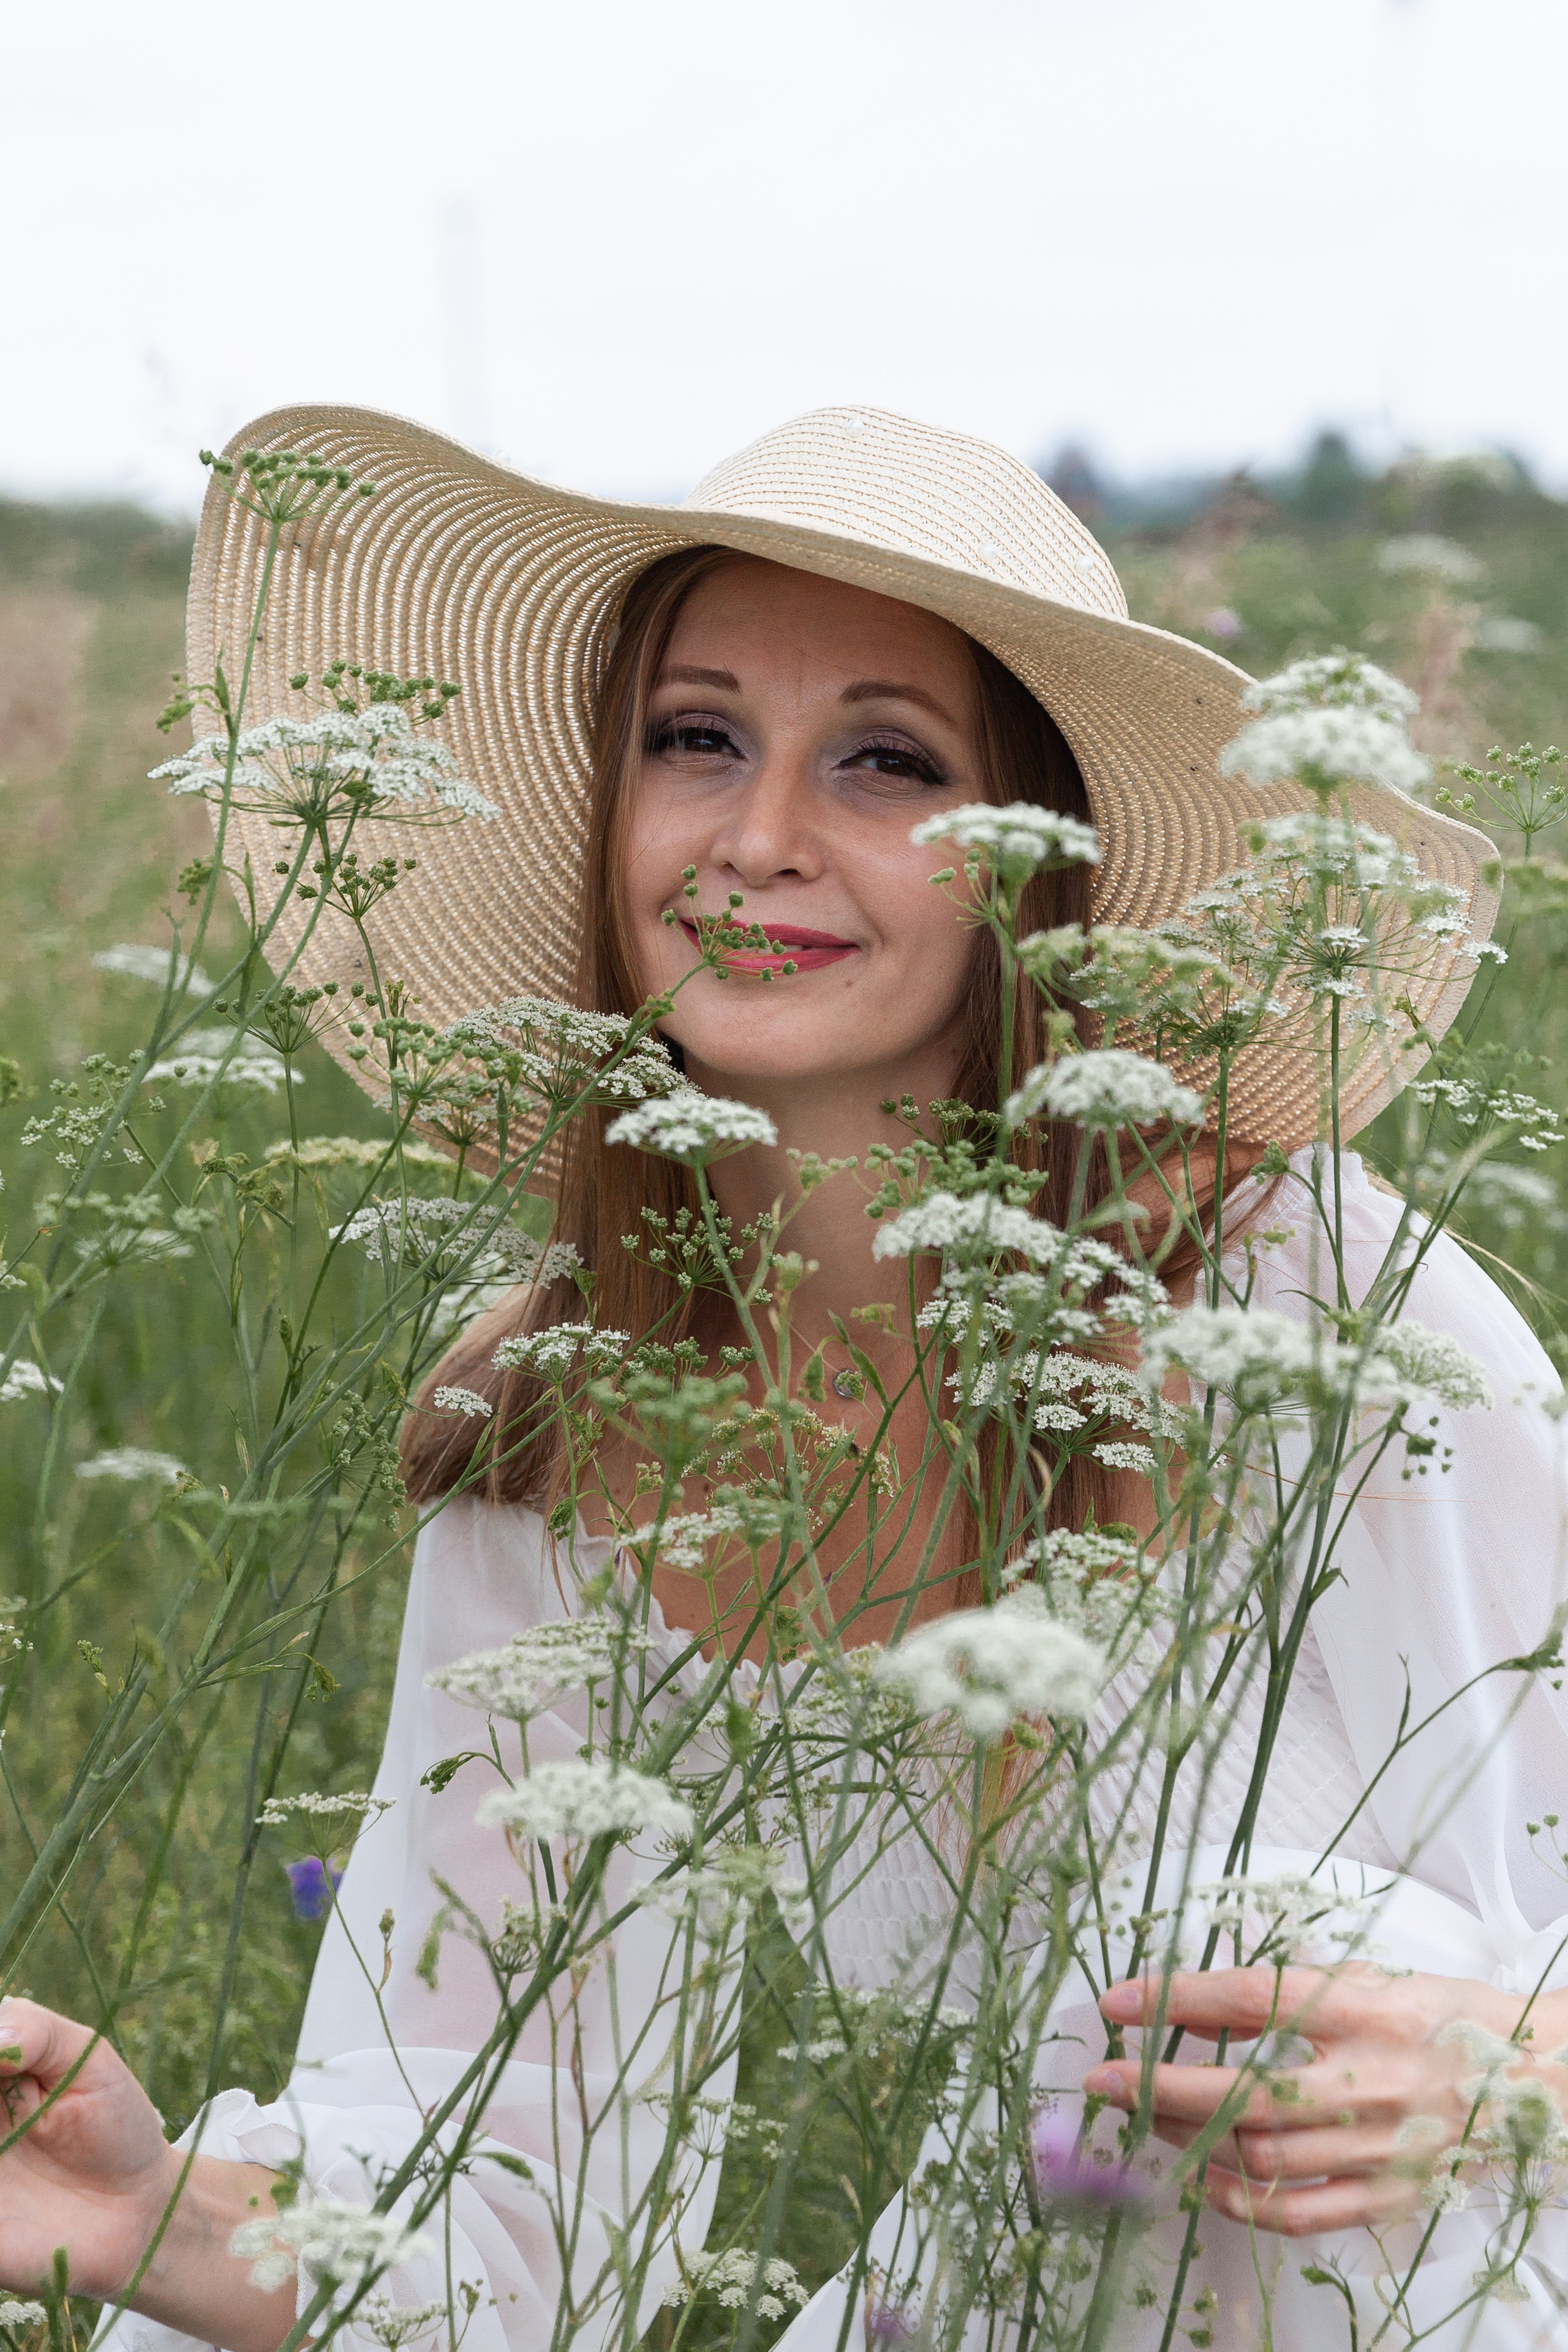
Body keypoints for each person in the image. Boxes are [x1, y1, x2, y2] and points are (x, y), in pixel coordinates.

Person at [2, 404, 1566, 2352]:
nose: (757, 837)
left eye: (888, 763)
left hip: (1419, 2272)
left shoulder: (1310, 1316)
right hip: (984, 2299)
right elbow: (517, 2198)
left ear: (1044, 868)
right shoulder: (560, 1407)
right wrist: (142, 2215)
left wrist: (1511, 2065)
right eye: (697, 736)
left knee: (1253, 1970)